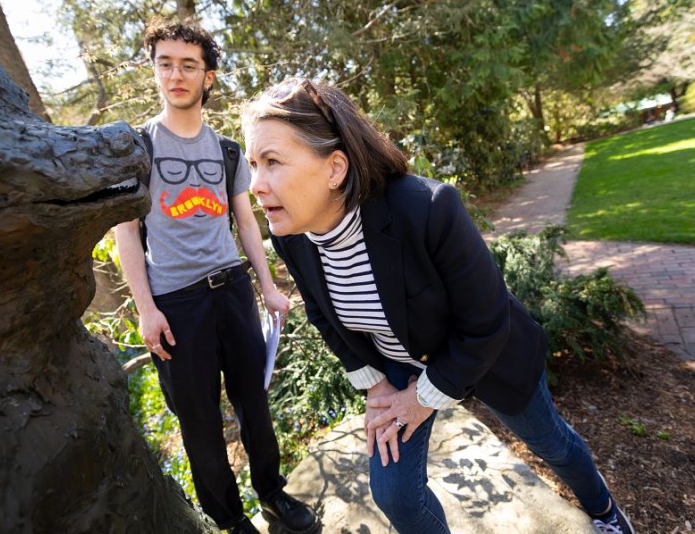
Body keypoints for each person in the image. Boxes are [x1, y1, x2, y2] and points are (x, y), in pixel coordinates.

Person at [240, 78, 636, 534]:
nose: (254, 184)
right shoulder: (291, 235)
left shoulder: (427, 208)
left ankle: (605, 511)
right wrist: (374, 385)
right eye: (252, 164)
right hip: (398, 367)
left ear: (334, 168)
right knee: (396, 495)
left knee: (553, 445)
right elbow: (322, 316)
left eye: (272, 162)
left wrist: (423, 399)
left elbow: (487, 324)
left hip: (489, 357)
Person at [114, 21, 318, 534]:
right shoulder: (138, 148)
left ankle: (272, 494)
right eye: (166, 64)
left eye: (188, 65)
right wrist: (146, 309)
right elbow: (126, 235)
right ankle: (231, 521)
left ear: (207, 77)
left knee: (254, 400)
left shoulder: (228, 151)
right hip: (176, 305)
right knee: (200, 424)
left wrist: (268, 287)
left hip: (232, 290)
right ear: (155, 70)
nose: (175, 75)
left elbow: (246, 221)